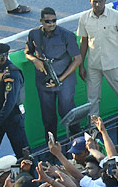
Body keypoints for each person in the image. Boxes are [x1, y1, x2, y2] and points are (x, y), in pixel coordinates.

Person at [77, 0, 118, 119]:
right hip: (94, 64)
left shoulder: (116, 16)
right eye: (94, 2)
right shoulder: (84, 18)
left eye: (100, 1)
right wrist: (81, 65)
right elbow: (84, 42)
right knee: (92, 98)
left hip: (113, 63)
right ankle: (94, 127)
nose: (97, 5)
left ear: (105, 0)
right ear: (89, 1)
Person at [25, 8, 81, 139]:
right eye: (48, 21)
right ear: (41, 21)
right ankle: (52, 146)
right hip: (44, 80)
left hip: (64, 79)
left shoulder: (66, 35)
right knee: (48, 116)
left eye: (54, 20)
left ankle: (80, 141)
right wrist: (34, 60)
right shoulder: (34, 34)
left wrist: (60, 78)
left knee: (68, 112)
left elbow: (78, 59)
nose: (51, 24)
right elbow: (27, 52)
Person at [0, 42, 28, 159]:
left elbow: (10, 102)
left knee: (22, 154)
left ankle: (32, 176)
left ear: (4, 57)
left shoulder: (12, 73)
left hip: (12, 116)